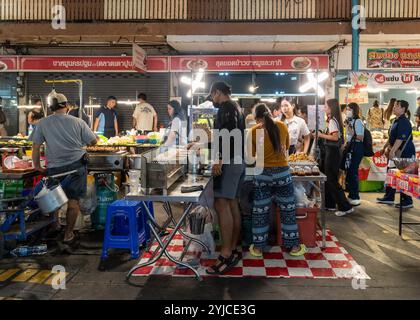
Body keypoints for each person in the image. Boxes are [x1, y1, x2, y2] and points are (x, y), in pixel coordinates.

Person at [30, 93, 98, 250]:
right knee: (73, 202)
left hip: (54, 169)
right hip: (76, 166)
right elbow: (93, 141)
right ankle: (68, 235)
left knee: (55, 200)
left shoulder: (43, 123)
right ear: (66, 105)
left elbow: (36, 146)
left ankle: (55, 226)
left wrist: (37, 166)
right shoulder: (78, 122)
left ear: (51, 108)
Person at [249, 103, 306, 257]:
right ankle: (293, 247)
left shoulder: (253, 131)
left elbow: (251, 156)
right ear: (269, 113)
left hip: (262, 175)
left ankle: (259, 248)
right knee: (287, 210)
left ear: (256, 118)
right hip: (282, 174)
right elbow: (286, 147)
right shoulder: (282, 125)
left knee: (260, 211)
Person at [206, 81, 245, 275]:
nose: (213, 100)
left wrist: (219, 160)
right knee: (231, 203)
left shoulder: (226, 107)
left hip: (229, 161)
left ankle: (226, 253)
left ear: (218, 93)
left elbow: (229, 136)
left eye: (212, 96)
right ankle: (233, 248)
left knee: (221, 204)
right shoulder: (237, 106)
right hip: (238, 161)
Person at [315, 99, 354, 217]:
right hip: (333, 153)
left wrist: (320, 135)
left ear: (331, 108)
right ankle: (334, 204)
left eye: (326, 106)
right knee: (331, 180)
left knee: (332, 180)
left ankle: (345, 206)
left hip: (332, 153)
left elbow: (335, 137)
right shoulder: (335, 120)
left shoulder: (333, 120)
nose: (324, 108)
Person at [377, 100, 416, 209]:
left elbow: (400, 139)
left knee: (405, 177)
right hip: (395, 152)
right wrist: (384, 148)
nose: (394, 107)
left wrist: (393, 151)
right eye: (394, 105)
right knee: (391, 174)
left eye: (397, 106)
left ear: (403, 109)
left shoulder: (404, 122)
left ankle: (407, 201)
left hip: (404, 153)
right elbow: (391, 137)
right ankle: (389, 197)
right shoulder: (395, 120)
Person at [344, 103, 365, 206]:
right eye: (346, 109)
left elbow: (360, 137)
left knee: (353, 172)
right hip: (351, 148)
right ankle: (351, 195)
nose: (347, 111)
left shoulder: (358, 121)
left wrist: (349, 128)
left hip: (357, 148)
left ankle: (355, 196)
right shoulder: (350, 121)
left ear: (354, 110)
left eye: (349, 109)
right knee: (350, 172)